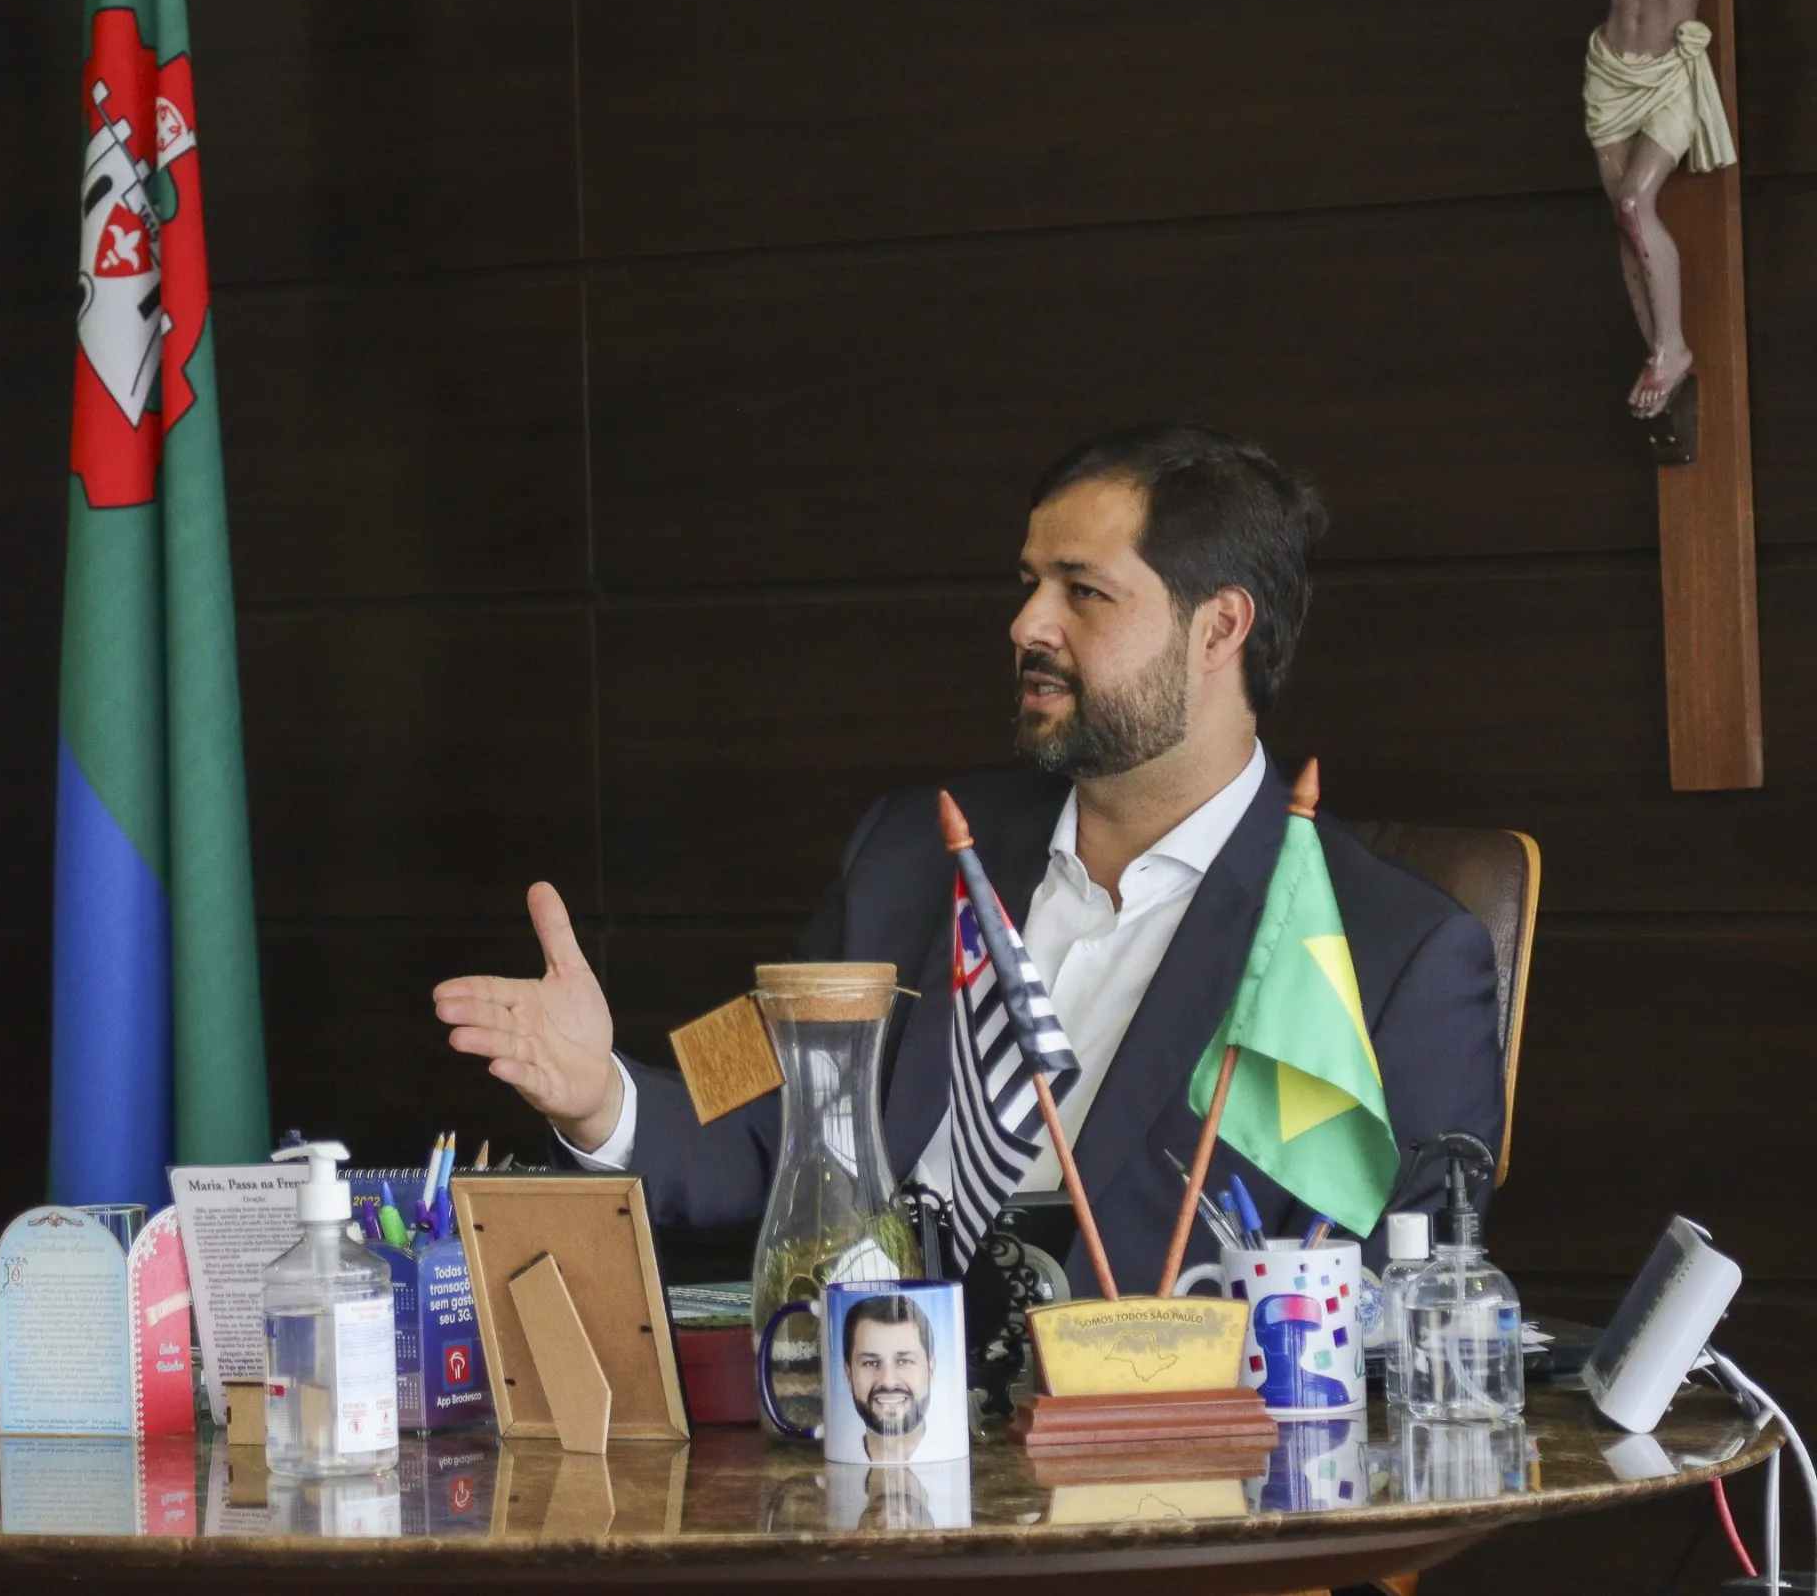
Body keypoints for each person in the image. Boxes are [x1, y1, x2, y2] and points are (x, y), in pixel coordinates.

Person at [435, 425, 1506, 1294]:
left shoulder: (1389, 955)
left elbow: (1395, 1312)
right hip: (861, 1422)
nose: (1026, 623)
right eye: (1029, 582)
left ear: (1219, 628)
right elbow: (747, 1089)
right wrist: (602, 1091)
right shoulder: (910, 849)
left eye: (1083, 591)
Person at [1582, 0, 1748, 419]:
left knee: (1635, 204)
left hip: (1667, 76)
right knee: (1622, 218)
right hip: (1610, 74)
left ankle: (1672, 347)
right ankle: (1657, 352)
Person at [843, 1294, 937, 1463]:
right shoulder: (841, 1458)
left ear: (930, 1370)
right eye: (871, 1363)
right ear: (849, 1375)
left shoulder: (953, 1455)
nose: (888, 1382)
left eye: (904, 1361)